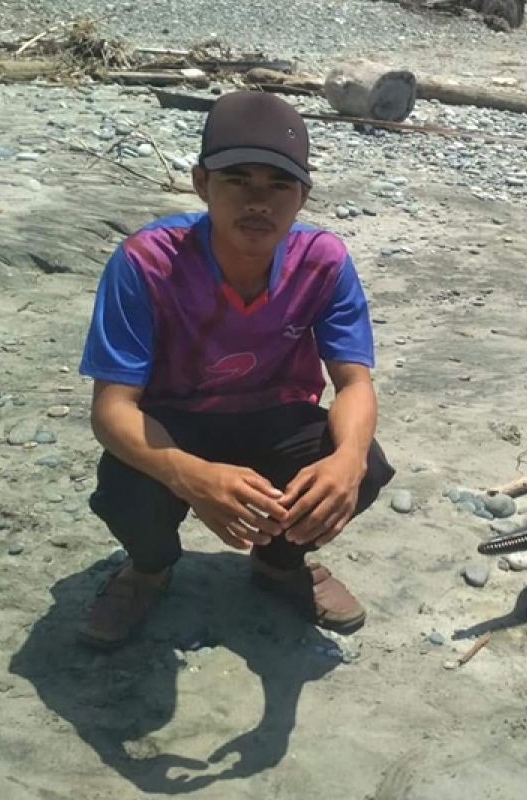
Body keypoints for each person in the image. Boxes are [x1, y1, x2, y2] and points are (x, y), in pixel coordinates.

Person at [76, 91, 395, 649]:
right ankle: (148, 570)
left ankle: (278, 564)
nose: (258, 202)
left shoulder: (323, 262)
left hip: (274, 416)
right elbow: (112, 410)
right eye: (237, 180)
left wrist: (346, 459)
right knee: (129, 486)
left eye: (278, 185)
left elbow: (354, 383)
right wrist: (191, 476)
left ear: (303, 196)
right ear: (202, 185)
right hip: (175, 419)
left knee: (360, 467)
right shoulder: (147, 263)